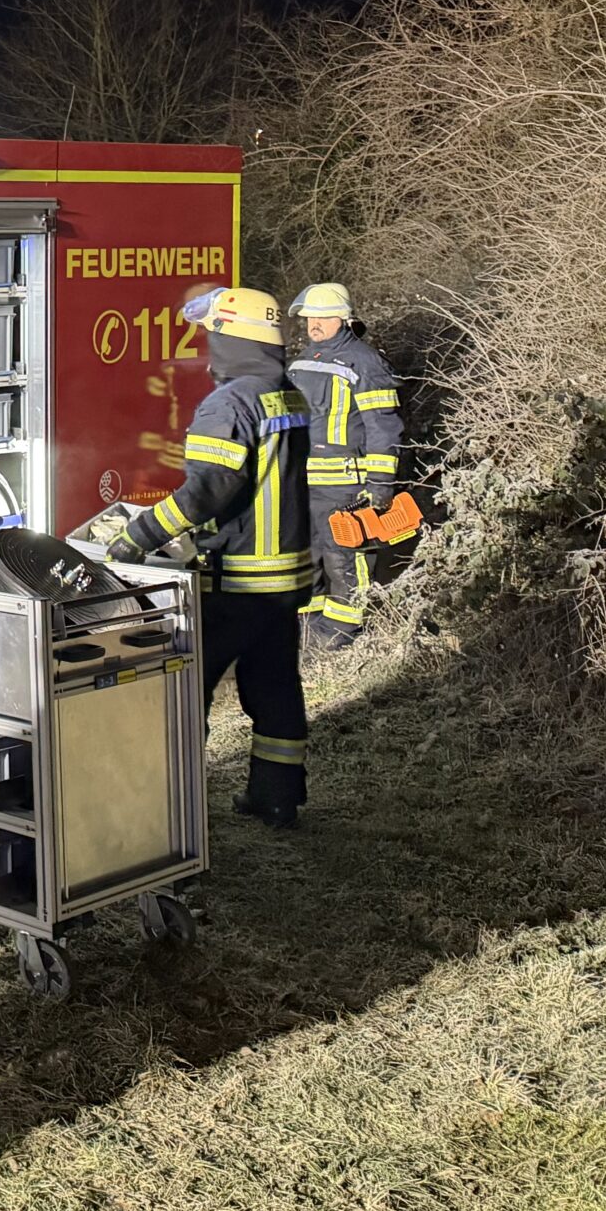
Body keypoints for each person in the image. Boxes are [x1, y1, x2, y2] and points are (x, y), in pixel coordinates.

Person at [104, 286, 314, 827]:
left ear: (231, 340)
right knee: (274, 687)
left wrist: (139, 535)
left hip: (239, 582)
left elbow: (207, 492)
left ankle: (172, 810)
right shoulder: (286, 393)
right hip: (286, 579)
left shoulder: (231, 403)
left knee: (185, 688)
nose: (209, 347)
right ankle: (276, 798)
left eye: (213, 335)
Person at [286, 283, 412, 650]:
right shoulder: (302, 361)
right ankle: (308, 632)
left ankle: (342, 634)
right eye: (309, 318)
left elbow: (383, 427)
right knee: (305, 557)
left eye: (322, 317)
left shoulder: (365, 363)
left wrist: (381, 483)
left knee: (344, 558)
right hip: (302, 484)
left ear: (343, 319)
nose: (313, 324)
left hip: (346, 486)